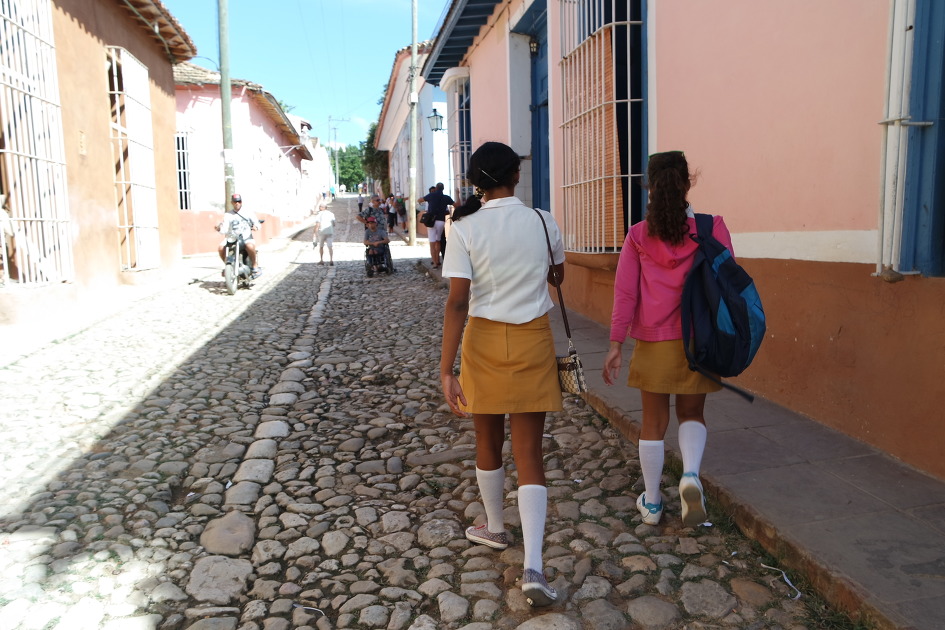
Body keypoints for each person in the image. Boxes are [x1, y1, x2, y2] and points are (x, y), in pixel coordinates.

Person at [440, 141, 564, 607]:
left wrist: (446, 369)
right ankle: (534, 565)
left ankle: (494, 527)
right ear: (516, 175)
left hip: (483, 342)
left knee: (487, 441)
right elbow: (558, 278)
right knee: (529, 452)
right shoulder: (543, 221)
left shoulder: (464, 227)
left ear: (477, 183)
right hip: (533, 338)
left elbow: (457, 301)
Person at [602, 150, 735, 528]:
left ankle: (653, 501)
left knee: (653, 422)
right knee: (692, 413)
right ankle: (690, 476)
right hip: (700, 340)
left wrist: (615, 344)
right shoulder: (711, 227)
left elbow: (625, 294)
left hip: (654, 342)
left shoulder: (638, 235)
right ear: (687, 182)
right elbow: (729, 281)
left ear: (649, 186)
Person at [217, 193, 261, 276]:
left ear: (241, 202)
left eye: (239, 201)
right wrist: (219, 229)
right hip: (232, 237)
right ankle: (228, 265)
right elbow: (225, 229)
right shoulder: (227, 215)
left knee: (250, 246)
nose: (237, 203)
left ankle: (255, 266)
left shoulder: (248, 212)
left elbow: (257, 223)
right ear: (232, 203)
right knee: (220, 248)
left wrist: (256, 227)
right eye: (235, 202)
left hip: (246, 237)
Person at [422, 182, 454, 268]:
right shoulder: (446, 197)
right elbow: (456, 204)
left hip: (431, 221)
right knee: (438, 241)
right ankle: (438, 259)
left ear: (436, 188)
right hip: (441, 221)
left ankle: (435, 262)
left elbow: (420, 200)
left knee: (432, 243)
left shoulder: (431, 196)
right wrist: (457, 194)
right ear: (443, 189)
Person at [313, 202, 335, 266]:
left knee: (321, 246)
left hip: (322, 232)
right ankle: (331, 260)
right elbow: (334, 224)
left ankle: (321, 260)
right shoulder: (331, 214)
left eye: (320, 207)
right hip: (330, 231)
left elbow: (317, 225)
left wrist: (315, 233)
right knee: (330, 246)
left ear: (323, 207)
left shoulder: (319, 214)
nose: (319, 208)